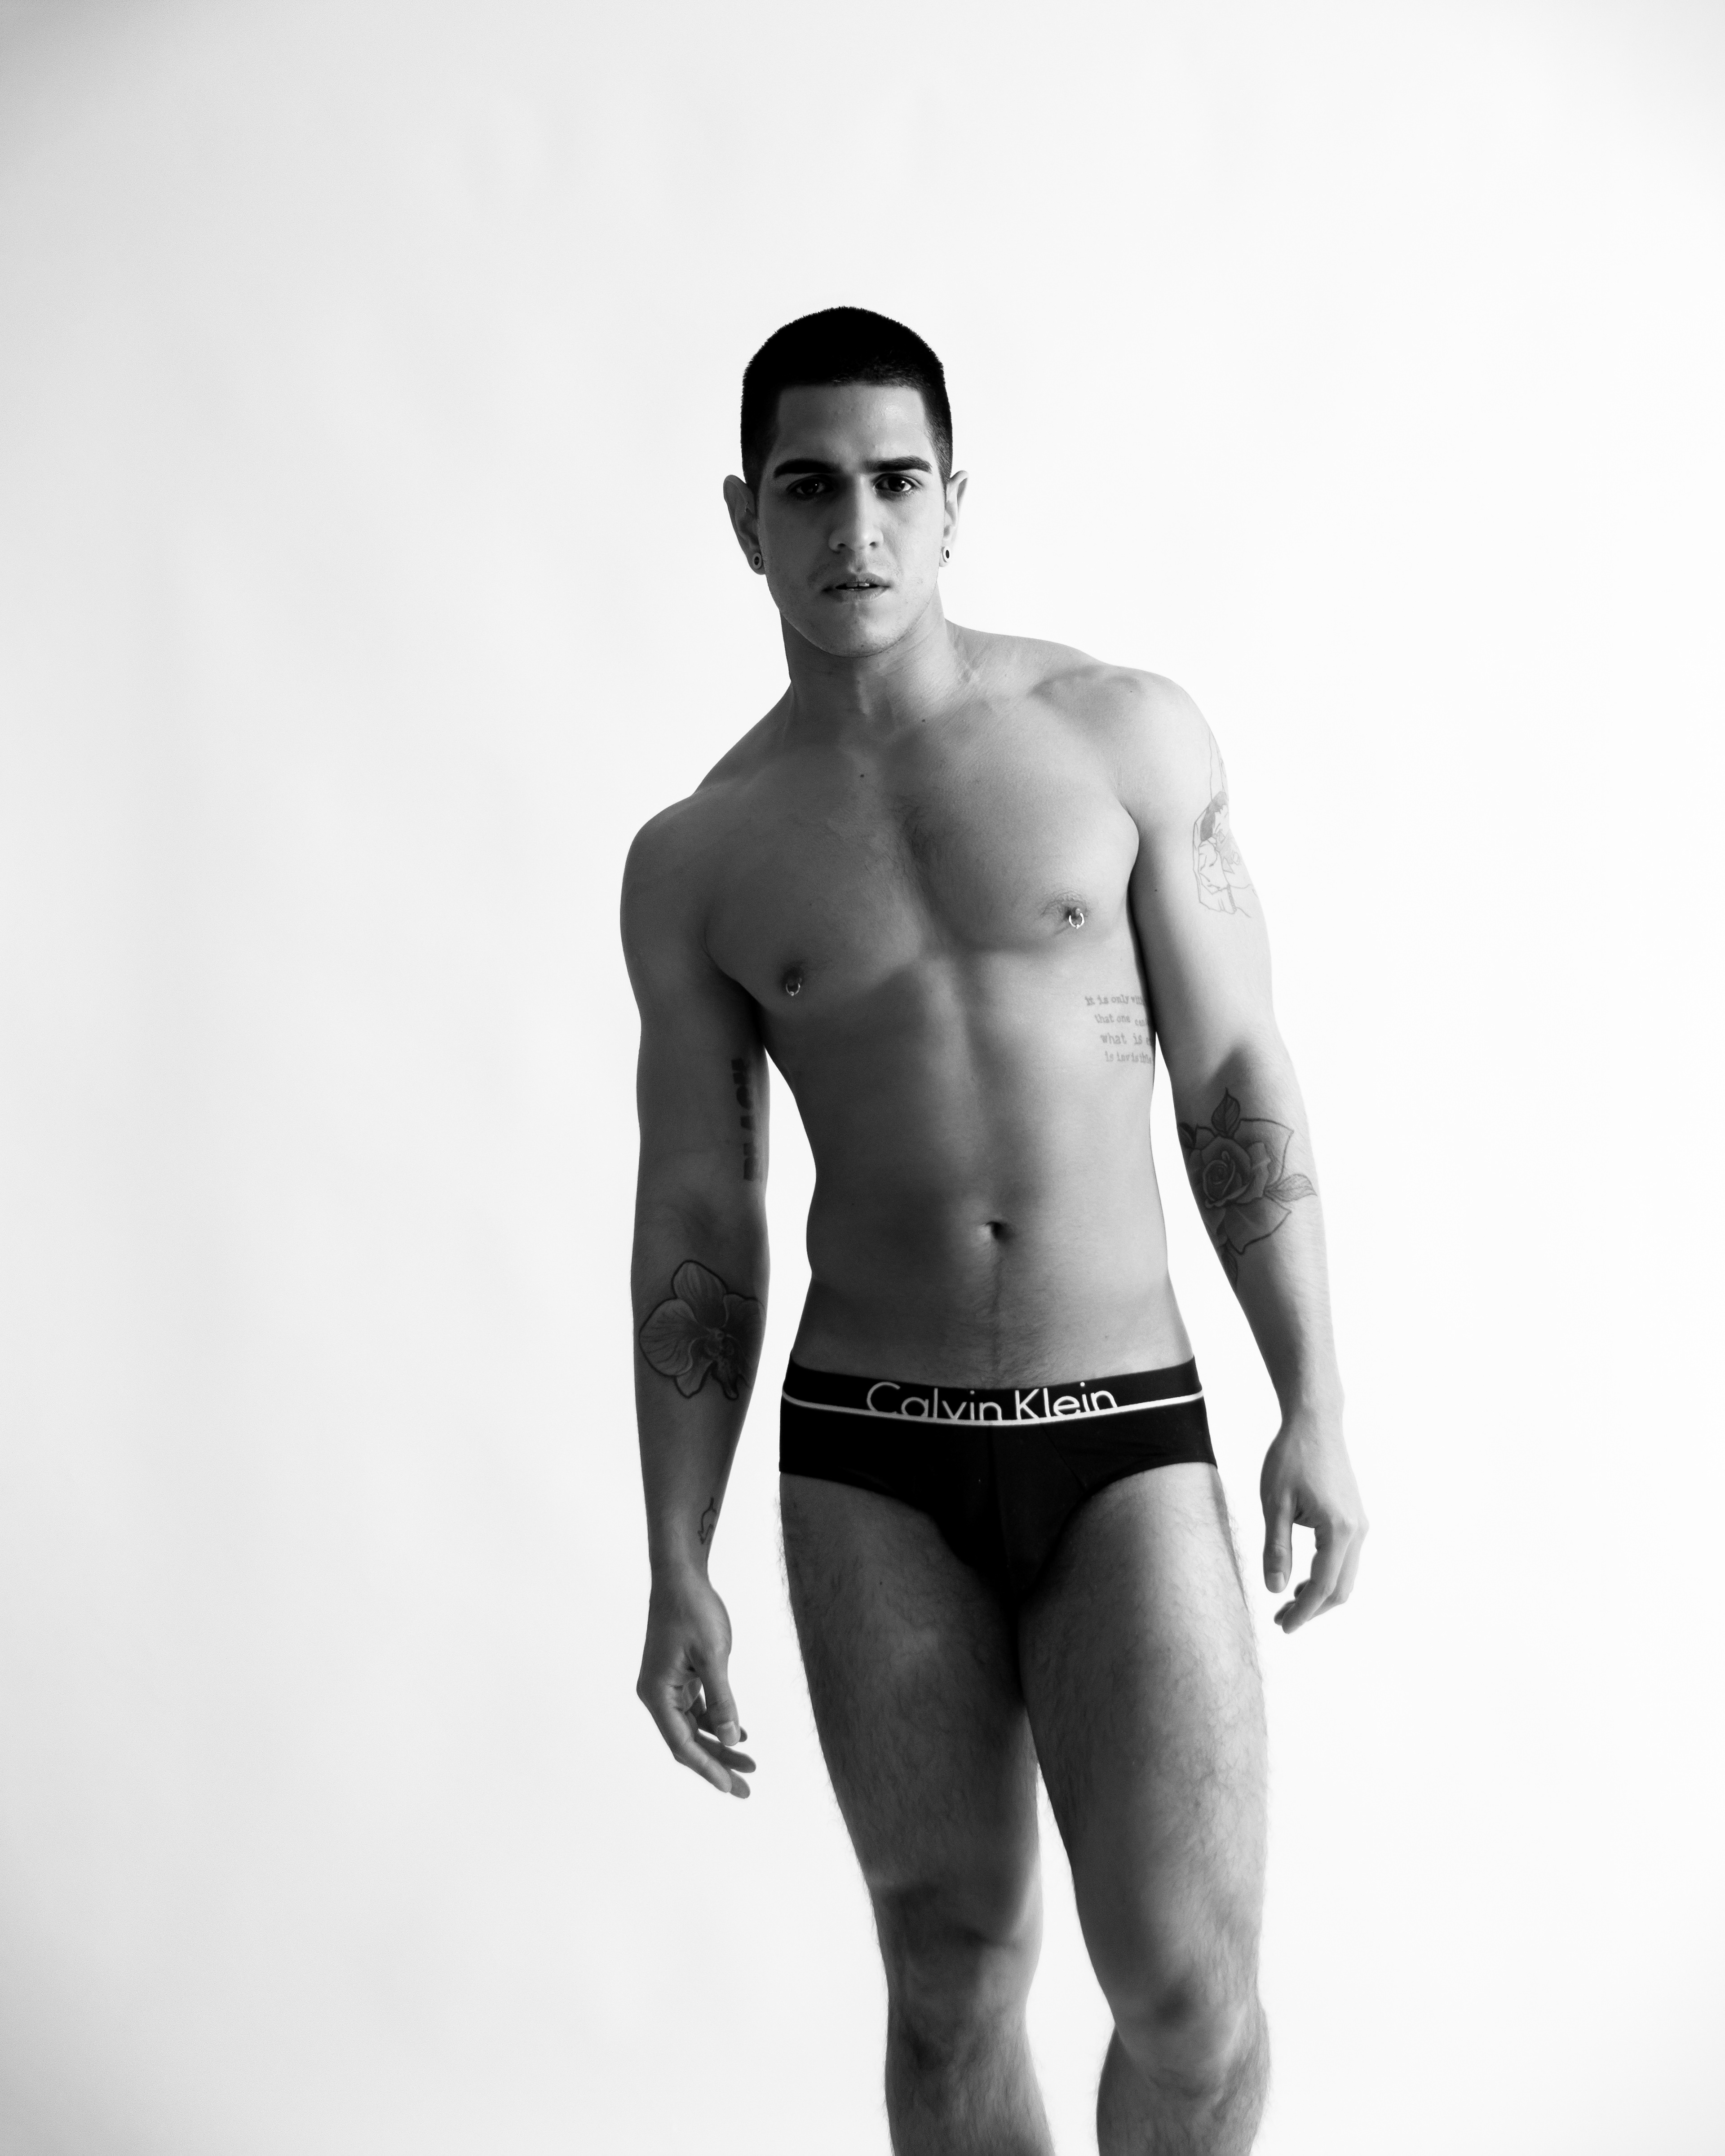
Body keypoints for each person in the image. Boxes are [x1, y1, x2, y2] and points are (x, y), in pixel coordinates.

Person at [622, 306, 1367, 2156]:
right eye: (811, 489)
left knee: (1190, 2002)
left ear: (955, 501)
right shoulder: (703, 857)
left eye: (895, 482)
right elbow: (702, 1201)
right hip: (870, 1463)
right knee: (949, 1978)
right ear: (746, 518)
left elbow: (1234, 1076)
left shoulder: (1120, 738)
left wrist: (1315, 1398)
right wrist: (675, 1549)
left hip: (1123, 1431)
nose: (857, 528)